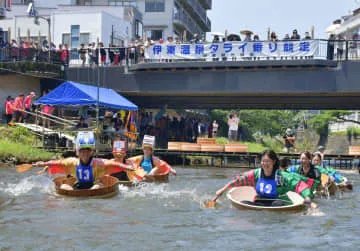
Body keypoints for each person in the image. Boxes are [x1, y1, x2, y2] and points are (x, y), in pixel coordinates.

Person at [211, 150, 317, 208]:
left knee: (278, 204)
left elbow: (299, 185)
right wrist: (220, 192)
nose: (265, 164)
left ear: (274, 162)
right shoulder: (256, 174)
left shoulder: (281, 176)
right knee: (244, 202)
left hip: (277, 203)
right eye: (263, 161)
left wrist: (307, 198)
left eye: (268, 161)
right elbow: (238, 180)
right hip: (260, 202)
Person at [36, 132, 135, 190]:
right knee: (64, 186)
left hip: (93, 186)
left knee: (98, 185)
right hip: (79, 185)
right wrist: (44, 164)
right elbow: (59, 163)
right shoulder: (73, 162)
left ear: (91, 152)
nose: (85, 154)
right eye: (82, 151)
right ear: (78, 153)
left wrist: (128, 167)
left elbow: (111, 164)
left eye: (87, 151)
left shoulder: (97, 162)